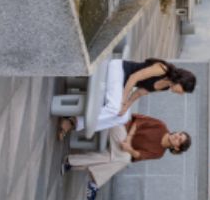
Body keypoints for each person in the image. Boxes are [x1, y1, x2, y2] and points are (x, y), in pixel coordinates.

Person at [58, 56, 197, 140]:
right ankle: (71, 121)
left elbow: (140, 92)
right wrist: (123, 99)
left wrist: (126, 105)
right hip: (120, 71)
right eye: (183, 91)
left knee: (123, 117)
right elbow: (134, 77)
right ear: (181, 81)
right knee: (114, 108)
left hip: (122, 83)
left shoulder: (166, 86)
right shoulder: (163, 69)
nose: (181, 93)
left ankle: (78, 123)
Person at [62, 114, 191, 192]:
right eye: (180, 134)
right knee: (122, 160)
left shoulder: (159, 153)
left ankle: (71, 162)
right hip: (121, 125)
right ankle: (93, 182)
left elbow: (139, 155)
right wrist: (129, 140)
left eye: (180, 140)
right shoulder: (161, 126)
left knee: (114, 159)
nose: (177, 136)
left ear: (177, 148)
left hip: (122, 147)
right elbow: (138, 121)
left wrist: (129, 149)